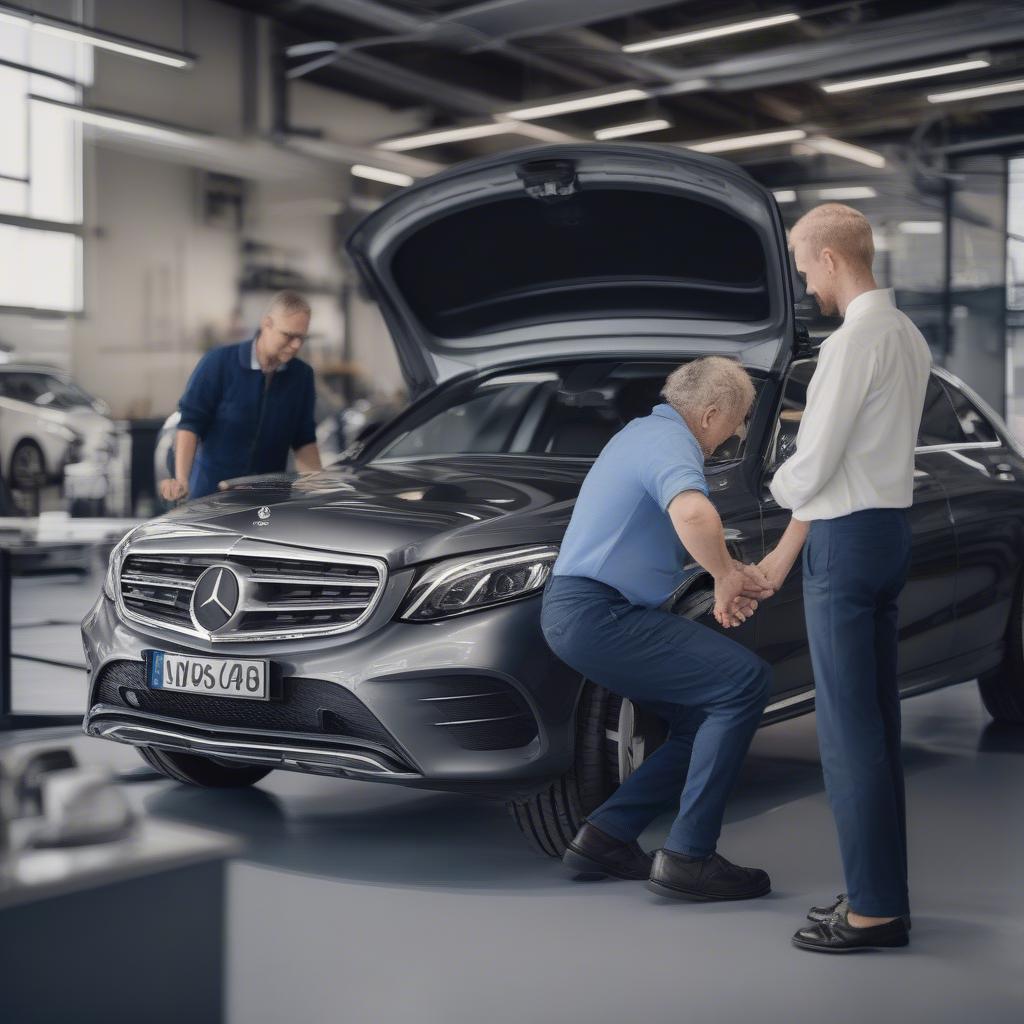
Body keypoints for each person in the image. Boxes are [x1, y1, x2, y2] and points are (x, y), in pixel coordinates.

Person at [758, 203, 931, 952]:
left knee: (847, 733)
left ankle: (874, 914)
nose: (805, 284)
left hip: (846, 541)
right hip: (889, 533)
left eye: (804, 267)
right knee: (878, 726)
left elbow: (816, 461)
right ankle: (878, 894)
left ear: (830, 257)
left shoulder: (853, 342)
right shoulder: (908, 336)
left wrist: (774, 486)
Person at [541, 357, 777, 902]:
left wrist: (730, 572)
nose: (738, 433)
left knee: (699, 717)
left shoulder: (641, 435)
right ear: (712, 413)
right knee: (745, 682)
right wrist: (723, 576)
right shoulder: (671, 443)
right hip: (598, 612)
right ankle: (690, 857)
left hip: (581, 611)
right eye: (737, 420)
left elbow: (651, 540)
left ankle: (605, 835)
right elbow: (693, 516)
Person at [159, 291, 322, 502]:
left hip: (268, 502)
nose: (296, 345)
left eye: (302, 337)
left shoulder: (302, 376)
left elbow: (304, 440)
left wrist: (320, 489)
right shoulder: (218, 363)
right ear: (267, 324)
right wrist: (181, 479)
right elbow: (190, 424)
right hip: (212, 496)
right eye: (289, 335)